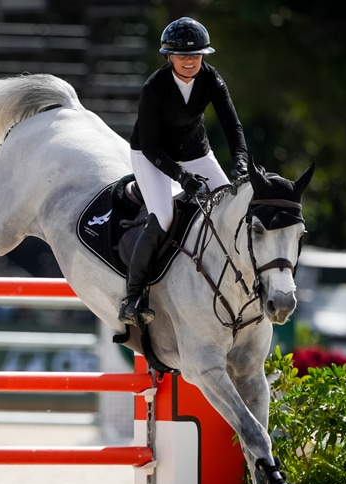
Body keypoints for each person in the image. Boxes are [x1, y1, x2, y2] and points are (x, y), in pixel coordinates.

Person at [119, 16, 250, 326]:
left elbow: (232, 124)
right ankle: (133, 296)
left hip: (195, 152)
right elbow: (151, 147)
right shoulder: (155, 87)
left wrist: (241, 161)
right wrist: (180, 177)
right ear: (169, 57)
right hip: (152, 155)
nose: (190, 61)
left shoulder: (212, 79)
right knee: (163, 216)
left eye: (196, 55)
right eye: (182, 55)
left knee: (230, 205)